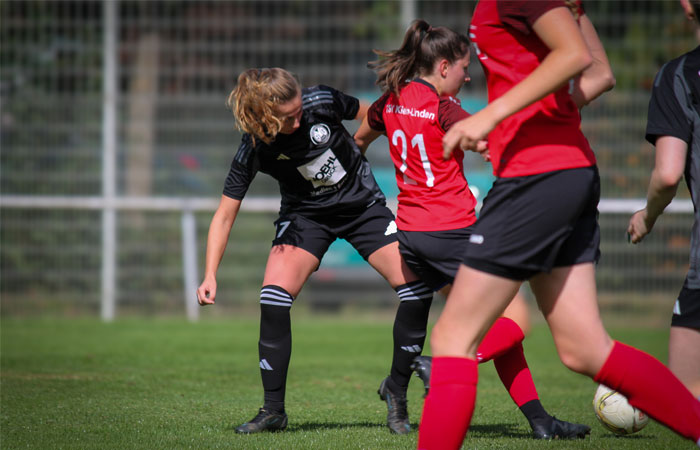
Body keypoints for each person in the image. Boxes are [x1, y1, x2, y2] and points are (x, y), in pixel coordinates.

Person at [414, 1, 700, 449]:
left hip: (537, 176)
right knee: (584, 349)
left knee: (453, 336)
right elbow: (602, 73)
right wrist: (521, 120)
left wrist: (493, 116)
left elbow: (575, 57)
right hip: (567, 172)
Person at [354, 19, 590, 440]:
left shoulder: (388, 102)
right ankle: (433, 365)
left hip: (410, 231)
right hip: (452, 232)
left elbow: (360, 139)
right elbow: (478, 136)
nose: (468, 75)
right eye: (465, 67)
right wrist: (494, 140)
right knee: (516, 320)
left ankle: (539, 421)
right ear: (443, 67)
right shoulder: (445, 109)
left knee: (495, 323)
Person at [196, 67, 433, 434]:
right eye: (288, 116)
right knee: (273, 298)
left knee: (416, 292)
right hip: (306, 218)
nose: (298, 118)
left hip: (362, 209)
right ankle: (273, 410)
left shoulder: (321, 100)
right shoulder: (255, 145)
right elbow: (225, 214)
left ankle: (396, 390)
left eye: (299, 111)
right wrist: (210, 273)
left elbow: (378, 114)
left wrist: (369, 141)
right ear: (264, 116)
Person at [628, 0, 700, 399]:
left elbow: (668, 174)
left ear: (688, 7)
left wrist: (647, 217)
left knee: (687, 399)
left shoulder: (680, 76)